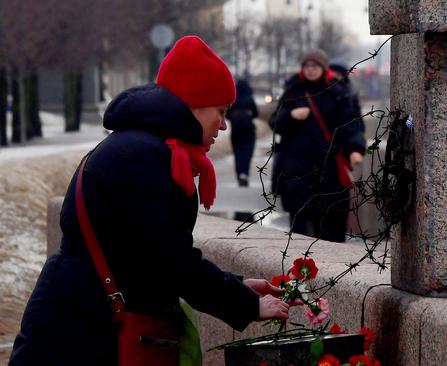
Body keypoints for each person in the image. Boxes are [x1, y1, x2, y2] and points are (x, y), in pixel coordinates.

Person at [9, 35, 290, 365]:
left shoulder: (142, 147)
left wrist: (239, 286)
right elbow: (170, 260)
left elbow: (150, 257)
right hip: (81, 335)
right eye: (221, 111)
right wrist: (244, 303)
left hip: (77, 322)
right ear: (195, 104)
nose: (224, 124)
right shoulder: (146, 157)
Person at [270, 49, 366, 243]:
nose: (311, 70)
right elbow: (275, 122)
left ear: (323, 68)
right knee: (300, 231)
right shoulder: (293, 91)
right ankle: (299, 269)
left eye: (315, 66)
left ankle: (331, 269)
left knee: (332, 228)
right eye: (307, 66)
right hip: (298, 170)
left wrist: (355, 149)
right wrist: (290, 117)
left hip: (329, 169)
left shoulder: (337, 92)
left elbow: (350, 125)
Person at [226, 79, 258, 187]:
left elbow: (227, 114)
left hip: (236, 129)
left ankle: (239, 173)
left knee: (237, 152)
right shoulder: (250, 98)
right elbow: (256, 113)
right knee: (247, 152)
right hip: (249, 129)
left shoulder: (233, 99)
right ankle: (245, 173)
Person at [329, 62, 364, 135]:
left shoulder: (350, 93)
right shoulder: (324, 92)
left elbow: (356, 116)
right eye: (333, 74)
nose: (334, 78)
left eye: (338, 75)